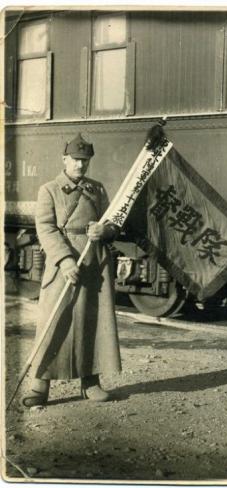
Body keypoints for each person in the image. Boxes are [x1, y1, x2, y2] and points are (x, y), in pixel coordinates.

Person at [22, 133, 122, 407]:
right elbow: (46, 228)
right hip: (61, 265)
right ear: (64, 159)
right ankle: (40, 385)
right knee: (54, 321)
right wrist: (64, 260)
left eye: (85, 160)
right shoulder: (49, 189)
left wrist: (106, 230)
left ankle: (90, 383)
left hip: (93, 264)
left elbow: (114, 222)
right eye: (76, 160)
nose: (81, 165)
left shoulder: (98, 189)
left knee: (92, 323)